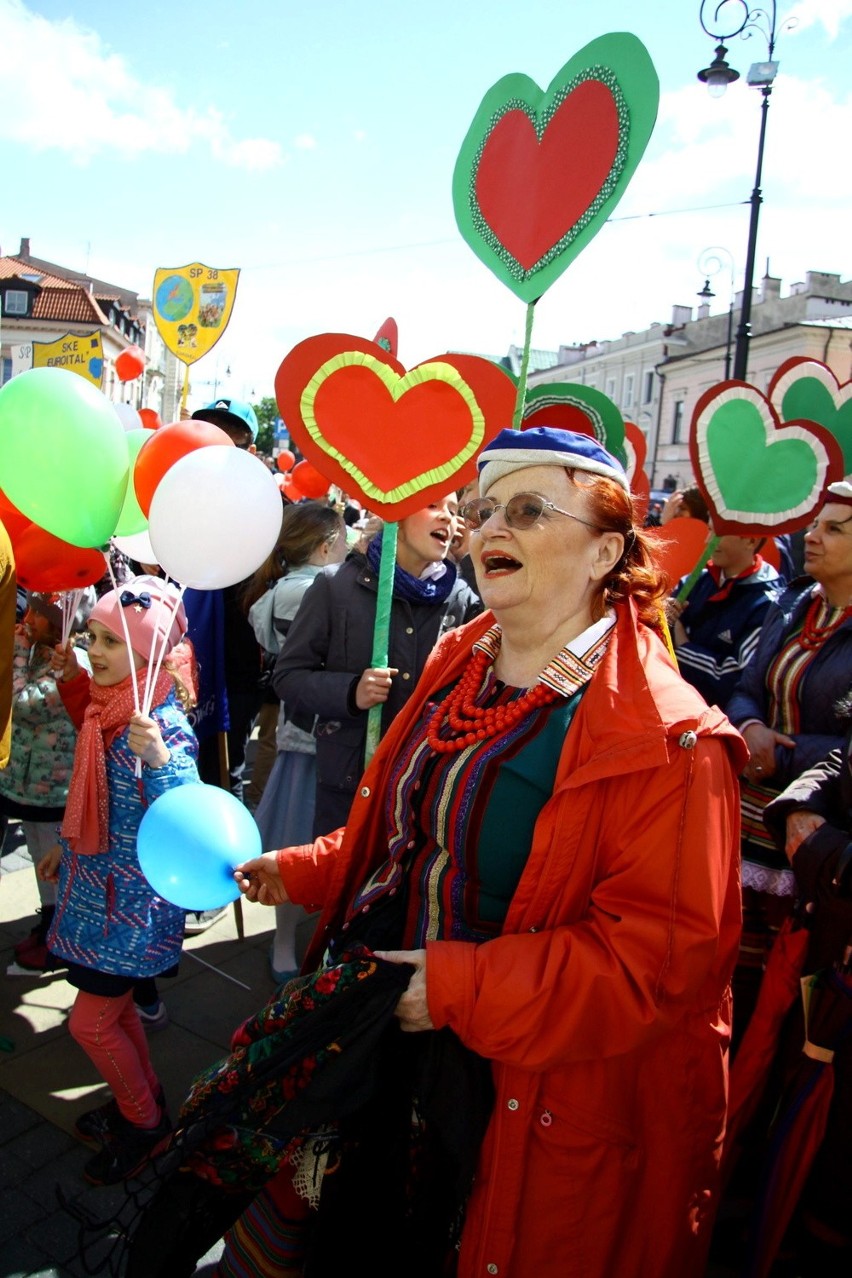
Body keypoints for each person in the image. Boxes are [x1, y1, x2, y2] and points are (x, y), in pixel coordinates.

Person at [230, 427, 746, 1278]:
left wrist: (460, 990)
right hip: (385, 1035)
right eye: (481, 510)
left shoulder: (671, 737)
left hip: (517, 1092)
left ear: (605, 551)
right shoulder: (460, 658)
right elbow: (414, 833)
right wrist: (311, 867)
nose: (487, 529)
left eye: (528, 510)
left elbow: (660, 966)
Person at [39, 578, 199, 1185]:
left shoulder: (155, 722)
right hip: (97, 893)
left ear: (149, 654)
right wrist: (63, 847)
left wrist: (160, 759)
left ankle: (145, 1125)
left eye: (111, 641)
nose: (95, 649)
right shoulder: (108, 707)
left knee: (90, 1023)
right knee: (116, 1012)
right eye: (93, 636)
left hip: (129, 907)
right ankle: (146, 1095)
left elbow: (187, 809)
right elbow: (94, 793)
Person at [273, 492, 481, 836]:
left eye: (454, 511)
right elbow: (289, 677)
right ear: (394, 514)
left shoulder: (462, 600)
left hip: (425, 791)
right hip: (349, 787)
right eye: (433, 506)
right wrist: (351, 691)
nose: (448, 518)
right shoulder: (334, 586)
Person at [726, 481, 852, 1042]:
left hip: (808, 834)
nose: (812, 536)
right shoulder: (796, 602)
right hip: (748, 816)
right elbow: (749, 683)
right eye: (815, 525)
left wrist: (784, 753)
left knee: (781, 988)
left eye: (833, 529)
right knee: (733, 962)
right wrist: (750, 727)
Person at [247, 501, 347, 982]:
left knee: (301, 842)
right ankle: (286, 943)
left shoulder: (280, 590)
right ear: (327, 545)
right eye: (343, 542)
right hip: (316, 735)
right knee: (300, 845)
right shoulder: (314, 590)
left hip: (303, 732)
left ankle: (289, 942)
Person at [0, 590, 93, 971]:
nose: (28, 621)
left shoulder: (69, 664)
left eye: (37, 615)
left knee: (55, 861)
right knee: (40, 857)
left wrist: (18, 648)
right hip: (27, 785)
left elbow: (20, 702)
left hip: (54, 789)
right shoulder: (40, 651)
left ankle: (62, 933)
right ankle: (49, 920)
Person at [667, 531, 781, 711]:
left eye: (718, 533)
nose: (707, 540)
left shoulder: (768, 604)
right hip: (673, 704)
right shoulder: (693, 581)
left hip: (720, 719)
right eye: (710, 530)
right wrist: (659, 615)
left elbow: (736, 679)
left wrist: (683, 648)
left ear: (751, 540)